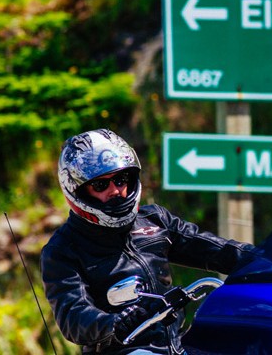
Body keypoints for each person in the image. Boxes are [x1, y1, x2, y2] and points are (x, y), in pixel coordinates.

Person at [41, 129, 257, 354]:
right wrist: (115, 323)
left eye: (120, 179)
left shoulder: (155, 219)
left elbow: (217, 250)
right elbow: (73, 315)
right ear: (77, 190)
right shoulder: (63, 249)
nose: (115, 190)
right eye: (100, 185)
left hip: (177, 344)